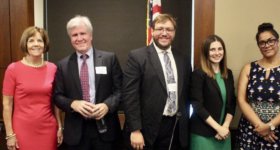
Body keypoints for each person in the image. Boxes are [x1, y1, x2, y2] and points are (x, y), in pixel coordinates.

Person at [122, 13, 191, 150]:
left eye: (169, 29)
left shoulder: (182, 59)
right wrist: (135, 130)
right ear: (152, 31)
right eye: (160, 29)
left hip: (176, 127)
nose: (164, 33)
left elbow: (186, 94)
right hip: (147, 130)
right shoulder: (137, 57)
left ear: (174, 33)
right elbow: (130, 96)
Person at [53, 15, 122, 150]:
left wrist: (107, 105)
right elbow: (57, 96)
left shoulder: (109, 59)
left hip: (105, 130)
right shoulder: (63, 65)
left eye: (83, 33)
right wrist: (73, 104)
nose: (79, 38)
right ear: (70, 39)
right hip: (76, 133)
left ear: (91, 35)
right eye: (74, 35)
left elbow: (120, 90)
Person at [236, 23, 280, 149]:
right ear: (259, 45)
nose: (267, 45)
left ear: (277, 42)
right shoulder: (248, 68)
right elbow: (241, 100)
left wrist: (269, 126)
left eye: (270, 41)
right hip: (252, 130)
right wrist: (260, 126)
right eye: (262, 42)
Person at [2, 26, 63, 150]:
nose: (36, 44)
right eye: (31, 40)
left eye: (40, 40)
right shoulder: (13, 69)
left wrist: (60, 127)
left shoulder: (53, 68)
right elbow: (7, 104)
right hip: (21, 130)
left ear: (45, 45)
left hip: (48, 129)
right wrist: (9, 134)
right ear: (25, 44)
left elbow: (57, 102)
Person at [189, 35, 236, 150]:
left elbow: (232, 103)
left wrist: (224, 127)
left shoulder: (228, 73)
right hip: (203, 134)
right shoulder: (198, 74)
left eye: (220, 49)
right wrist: (218, 128)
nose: (217, 53)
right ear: (206, 52)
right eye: (212, 49)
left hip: (224, 133)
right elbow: (197, 106)